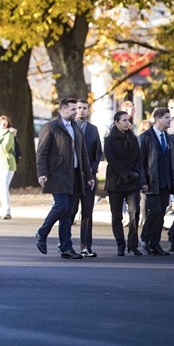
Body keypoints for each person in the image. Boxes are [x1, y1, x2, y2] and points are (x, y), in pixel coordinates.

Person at [34, 97, 94, 260]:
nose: (76, 112)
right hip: (57, 174)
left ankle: (66, 247)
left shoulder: (76, 128)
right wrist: (42, 173)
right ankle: (42, 232)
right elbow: (42, 152)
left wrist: (88, 175)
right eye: (73, 109)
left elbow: (83, 154)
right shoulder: (51, 127)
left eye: (77, 109)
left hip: (74, 175)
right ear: (62, 110)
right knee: (61, 206)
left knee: (68, 212)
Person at [138, 107, 174, 255]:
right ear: (158, 119)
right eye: (167, 117)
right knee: (154, 211)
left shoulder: (169, 138)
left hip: (166, 182)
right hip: (152, 182)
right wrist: (143, 181)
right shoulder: (145, 137)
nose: (170, 120)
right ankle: (144, 239)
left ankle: (155, 244)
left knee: (160, 213)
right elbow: (140, 163)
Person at [104, 111, 145, 256]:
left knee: (135, 212)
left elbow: (139, 158)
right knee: (116, 216)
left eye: (128, 120)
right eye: (124, 120)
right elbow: (112, 160)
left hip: (132, 182)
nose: (127, 123)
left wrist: (137, 173)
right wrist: (126, 173)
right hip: (115, 182)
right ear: (116, 122)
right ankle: (120, 245)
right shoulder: (109, 140)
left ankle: (133, 245)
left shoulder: (133, 138)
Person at [71, 100, 103, 257]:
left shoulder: (93, 129)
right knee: (70, 210)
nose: (81, 111)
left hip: (89, 177)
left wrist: (93, 168)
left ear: (88, 111)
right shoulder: (69, 127)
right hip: (72, 177)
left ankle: (86, 246)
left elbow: (98, 153)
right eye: (78, 108)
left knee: (87, 212)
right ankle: (65, 242)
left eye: (84, 108)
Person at [0, 115, 17, 222]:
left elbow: (6, 148)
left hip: (7, 164)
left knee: (4, 186)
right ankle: (4, 210)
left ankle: (7, 211)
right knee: (1, 189)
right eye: (1, 123)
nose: (2, 125)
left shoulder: (9, 134)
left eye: (5, 124)